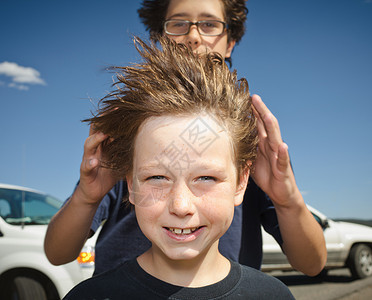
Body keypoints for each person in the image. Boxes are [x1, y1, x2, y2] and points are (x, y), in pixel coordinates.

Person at [45, 0, 326, 277]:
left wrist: (287, 199)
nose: (192, 36)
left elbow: (311, 264)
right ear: (159, 38)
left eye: (209, 24)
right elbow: (58, 254)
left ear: (230, 42)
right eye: (178, 24)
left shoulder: (245, 136)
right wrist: (86, 196)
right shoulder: (130, 126)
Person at [63, 36, 295, 300]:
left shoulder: (273, 296)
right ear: (130, 184)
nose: (181, 206)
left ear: (241, 182)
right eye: (157, 177)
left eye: (206, 177)